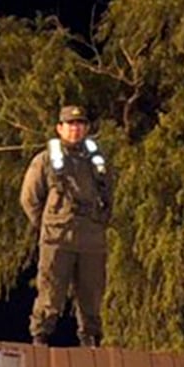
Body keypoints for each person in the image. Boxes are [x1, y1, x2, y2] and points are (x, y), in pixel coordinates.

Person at [19, 103, 110, 347]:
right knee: (51, 292)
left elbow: (108, 195)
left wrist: (100, 221)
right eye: (70, 124)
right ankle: (41, 337)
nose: (75, 129)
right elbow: (29, 198)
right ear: (60, 128)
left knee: (92, 294)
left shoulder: (96, 161)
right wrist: (46, 225)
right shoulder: (46, 159)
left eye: (80, 124)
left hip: (91, 237)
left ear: (87, 128)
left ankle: (90, 339)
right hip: (58, 237)